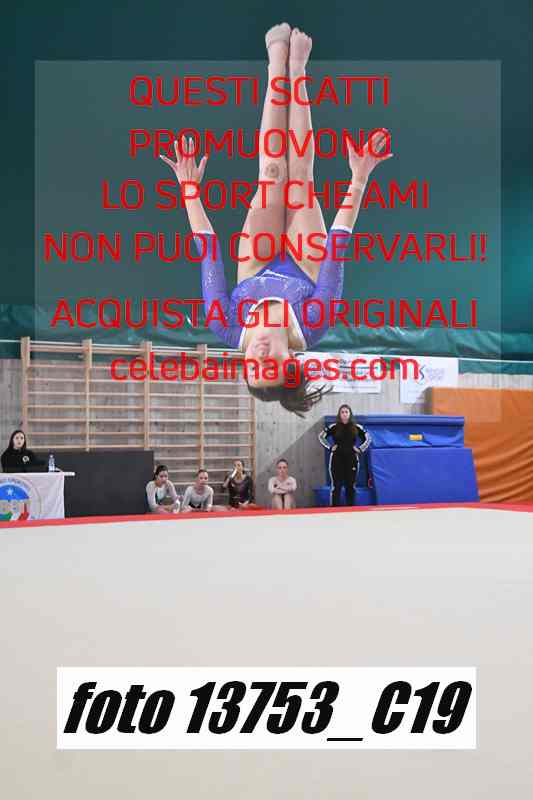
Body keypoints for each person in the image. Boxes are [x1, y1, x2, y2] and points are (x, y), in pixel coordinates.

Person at [160, 24, 392, 416]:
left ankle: (275, 65)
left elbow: (209, 251)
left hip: (256, 266)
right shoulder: (314, 323)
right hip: (305, 265)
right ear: (291, 363)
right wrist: (359, 179)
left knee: (271, 173)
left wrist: (189, 189)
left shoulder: (226, 324)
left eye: (253, 367)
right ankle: (297, 67)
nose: (260, 355)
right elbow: (336, 249)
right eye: (271, 365)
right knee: (299, 176)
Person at [319, 405, 371, 506]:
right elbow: (321, 436)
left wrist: (360, 449)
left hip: (351, 460)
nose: (344, 414)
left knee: (350, 485)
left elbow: (368, 438)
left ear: (350, 414)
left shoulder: (356, 427)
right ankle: (334, 509)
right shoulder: (334, 427)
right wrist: (329, 447)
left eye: (346, 412)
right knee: (336, 486)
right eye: (342, 412)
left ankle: (350, 509)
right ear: (339, 414)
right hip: (336, 460)